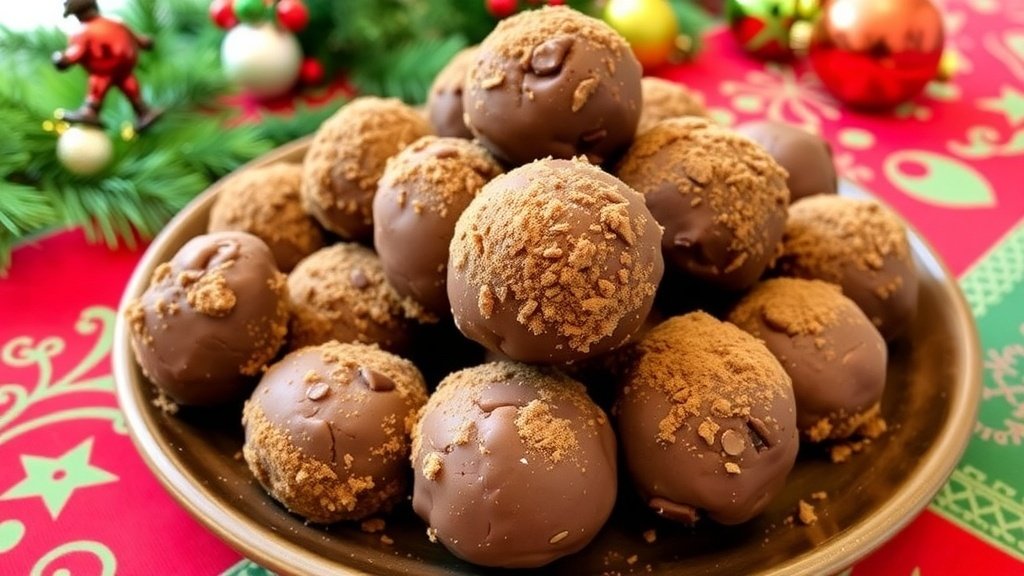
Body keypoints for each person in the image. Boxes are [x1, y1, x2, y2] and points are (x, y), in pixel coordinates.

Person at [52, 0, 162, 130]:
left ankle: (90, 111)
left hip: (103, 71)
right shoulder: (116, 22)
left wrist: (63, 59)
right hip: (125, 68)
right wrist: (144, 42)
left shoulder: (83, 32)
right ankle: (143, 110)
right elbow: (135, 38)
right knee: (129, 84)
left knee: (98, 84)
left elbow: (76, 52)